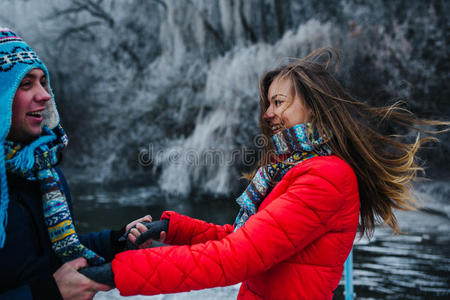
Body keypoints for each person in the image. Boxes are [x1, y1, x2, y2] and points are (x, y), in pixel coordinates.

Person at [107, 47, 448, 299]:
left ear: (314, 106)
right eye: (268, 103)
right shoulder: (291, 169)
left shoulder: (325, 177)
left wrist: (113, 275)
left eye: (279, 102)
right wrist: (173, 230)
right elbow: (248, 240)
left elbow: (237, 257)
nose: (268, 113)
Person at [0, 27, 151, 300]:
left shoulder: (44, 170)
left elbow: (55, 250)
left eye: (43, 81)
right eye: (26, 84)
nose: (44, 94)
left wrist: (118, 239)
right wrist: (50, 292)